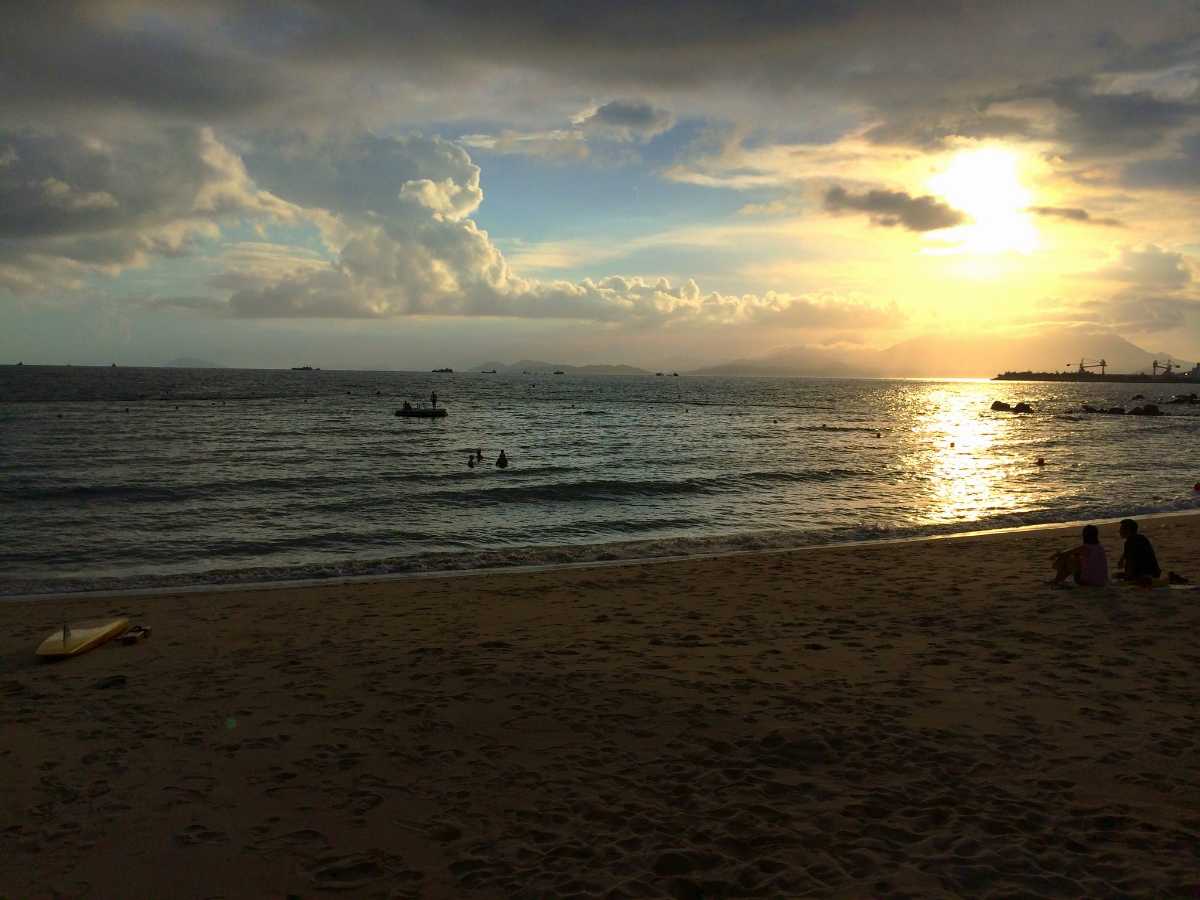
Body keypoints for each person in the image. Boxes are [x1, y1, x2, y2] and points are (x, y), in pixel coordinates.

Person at [1115, 518, 1160, 586]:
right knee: (1119, 575)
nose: (1119, 531)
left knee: (1116, 576)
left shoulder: (1130, 542)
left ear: (1128, 530)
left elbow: (1131, 561)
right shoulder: (1141, 537)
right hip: (1154, 572)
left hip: (1143, 575)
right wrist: (1122, 559)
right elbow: (1129, 552)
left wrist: (1127, 578)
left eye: (1121, 528)